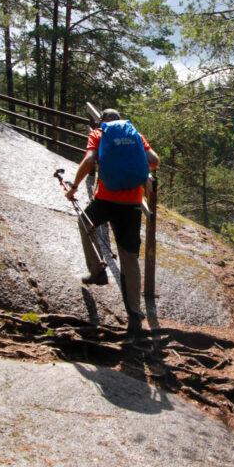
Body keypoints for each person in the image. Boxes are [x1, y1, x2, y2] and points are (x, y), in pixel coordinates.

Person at [65, 108, 159, 337]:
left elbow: (89, 160)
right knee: (129, 258)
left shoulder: (99, 134)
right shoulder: (136, 134)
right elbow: (154, 161)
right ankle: (135, 315)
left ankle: (97, 271)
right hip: (132, 205)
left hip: (105, 200)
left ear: (102, 122)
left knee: (85, 222)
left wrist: (75, 187)